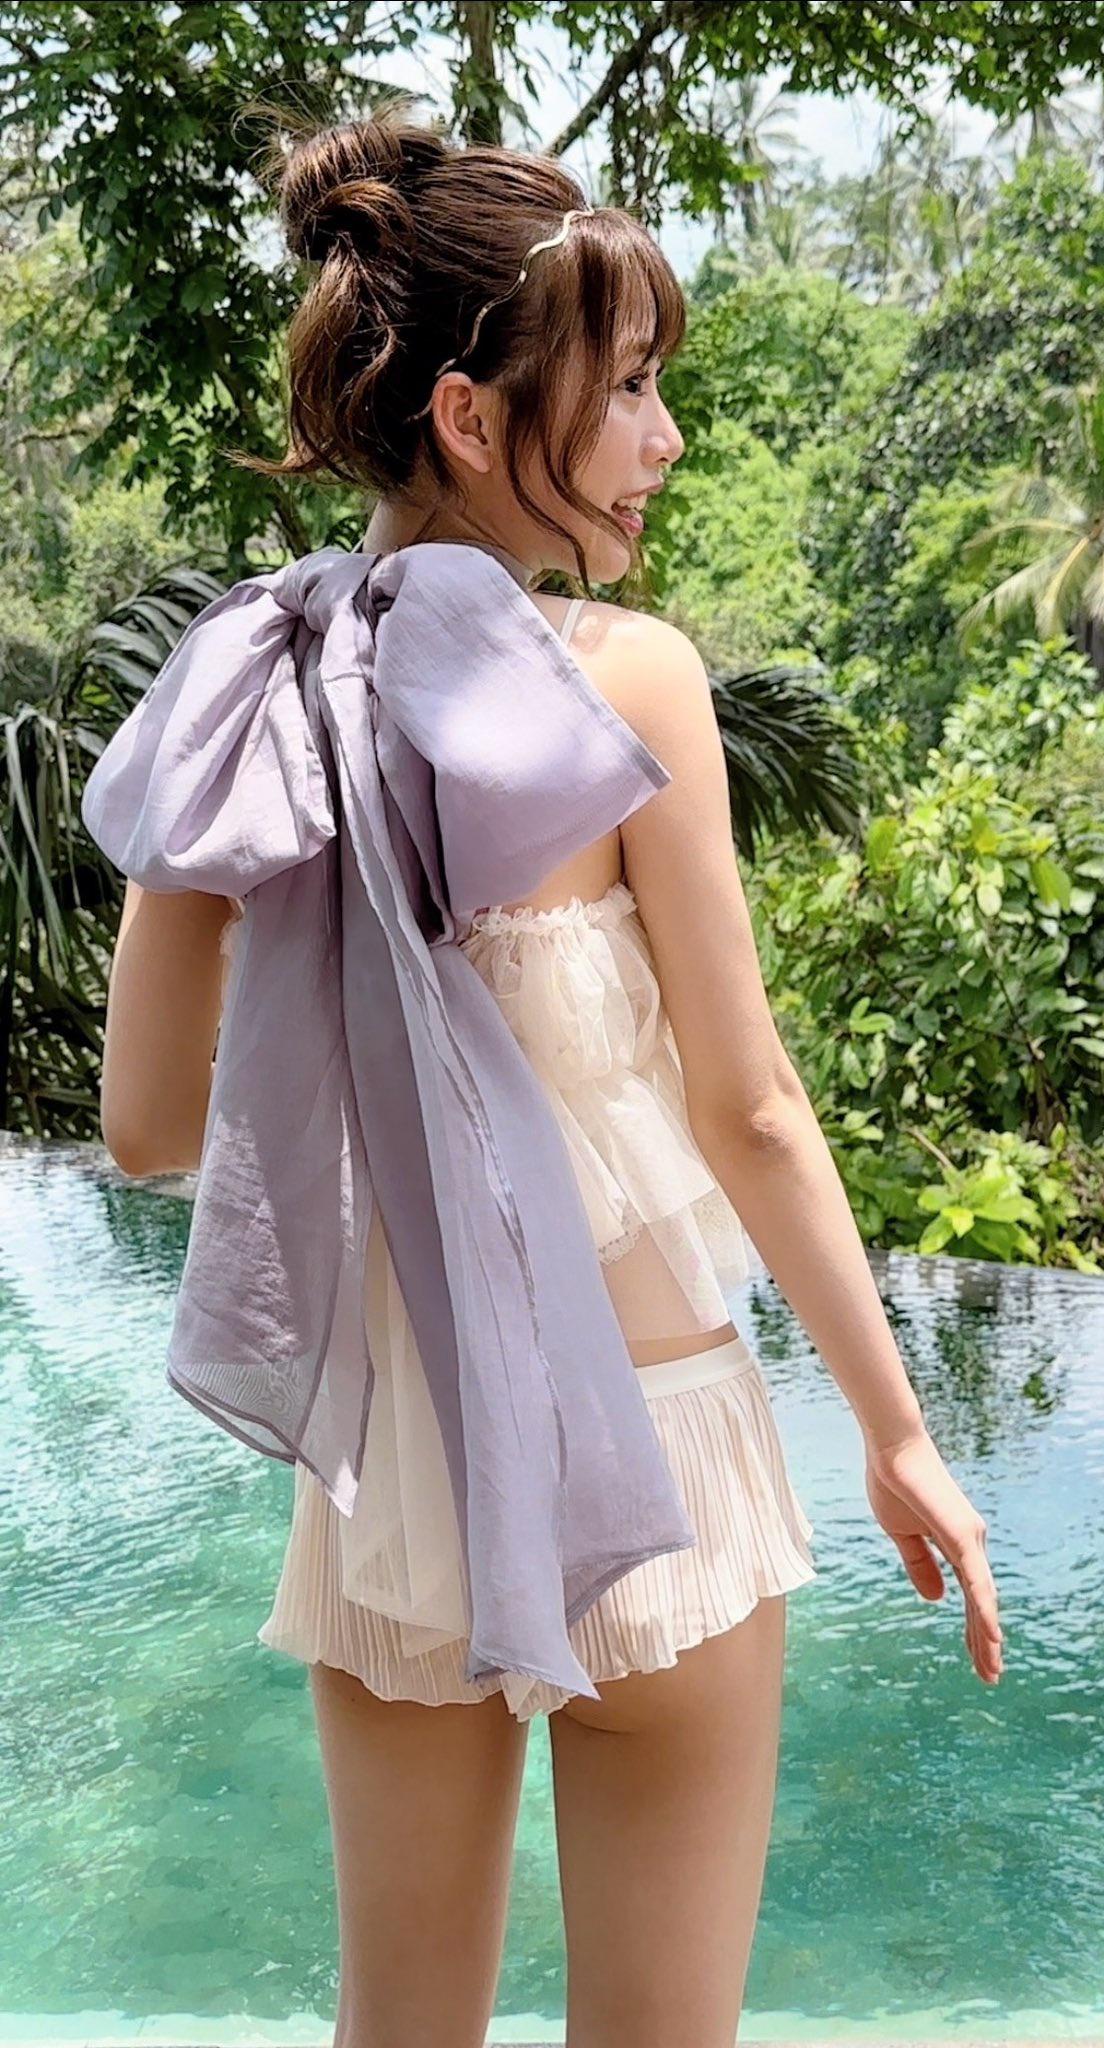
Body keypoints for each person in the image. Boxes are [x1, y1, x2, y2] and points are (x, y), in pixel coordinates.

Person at [95, 100, 1004, 2048]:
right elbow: (747, 1107)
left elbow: (151, 1128)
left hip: (398, 1473)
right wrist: (895, 1429)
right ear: (470, 417)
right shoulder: (629, 679)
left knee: (396, 2026)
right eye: (632, 388)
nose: (662, 438)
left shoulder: (242, 692)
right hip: (654, 1438)